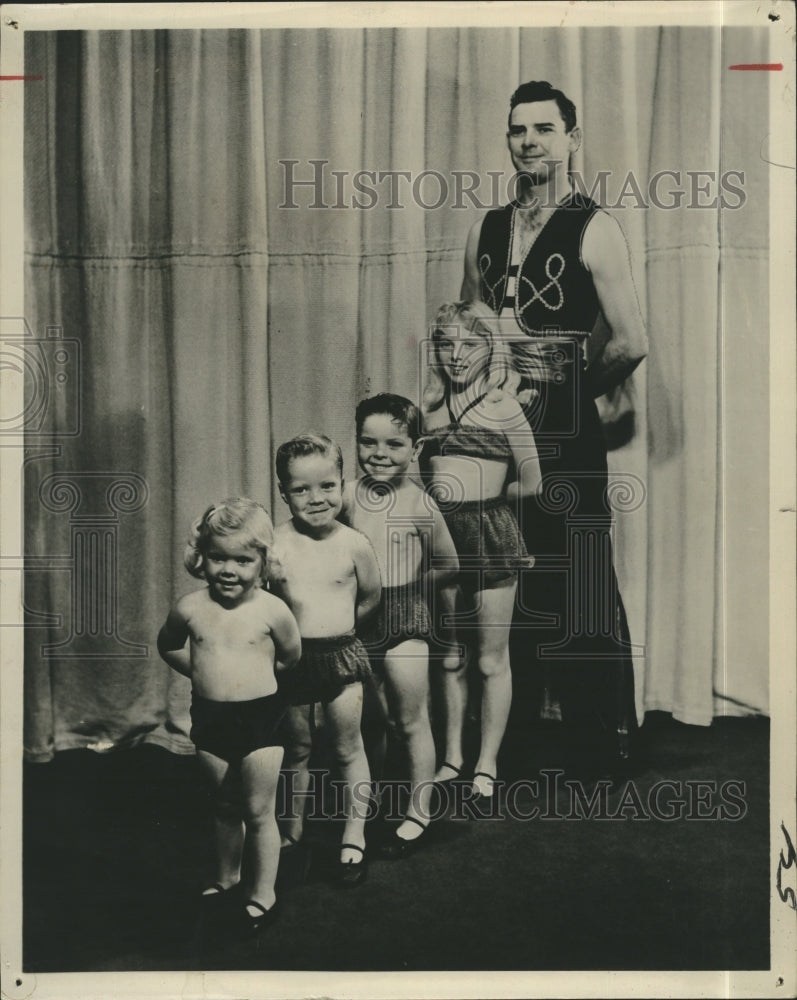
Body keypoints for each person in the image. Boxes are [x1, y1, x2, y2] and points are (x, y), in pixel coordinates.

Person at [461, 79, 648, 775]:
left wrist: (568, 396)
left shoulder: (595, 227)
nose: (529, 141)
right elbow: (468, 329)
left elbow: (629, 341)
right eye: (517, 130)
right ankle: (501, 745)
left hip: (564, 431)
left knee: (578, 574)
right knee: (501, 566)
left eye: (544, 128)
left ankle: (600, 743)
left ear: (572, 138)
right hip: (492, 428)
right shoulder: (483, 228)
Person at [157, 498, 302, 934]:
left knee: (259, 810)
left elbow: (291, 657)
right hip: (211, 718)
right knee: (223, 805)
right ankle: (227, 877)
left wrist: (255, 681)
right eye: (218, 557)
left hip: (261, 720)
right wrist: (200, 672)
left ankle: (264, 893)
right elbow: (168, 645)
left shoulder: (272, 610)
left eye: (243, 559)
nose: (228, 569)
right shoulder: (190, 607)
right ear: (201, 556)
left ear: (263, 561)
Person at [420, 300, 542, 801]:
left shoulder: (504, 406)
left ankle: (486, 762)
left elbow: (534, 482)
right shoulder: (425, 408)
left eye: (470, 344)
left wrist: (488, 502)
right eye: (447, 344)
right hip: (439, 539)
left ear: (490, 348)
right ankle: (452, 755)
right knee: (449, 658)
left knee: (491, 660)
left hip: (490, 535)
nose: (456, 355)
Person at [343, 393, 459, 856]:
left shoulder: (420, 503)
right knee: (369, 718)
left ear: (416, 449)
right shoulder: (347, 494)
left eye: (394, 444)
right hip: (356, 616)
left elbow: (450, 563)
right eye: (368, 442)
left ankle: (420, 808)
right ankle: (367, 800)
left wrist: (410, 587)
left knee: (411, 718)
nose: (379, 453)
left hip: (405, 614)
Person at [269, 433, 381, 885]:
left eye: (327, 486)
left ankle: (355, 832)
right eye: (301, 489)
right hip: (294, 659)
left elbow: (370, 598)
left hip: (341, 654)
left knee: (346, 747)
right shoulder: (274, 545)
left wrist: (341, 631)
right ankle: (291, 829)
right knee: (296, 748)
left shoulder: (354, 543)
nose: (316, 499)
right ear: (283, 493)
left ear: (341, 484)